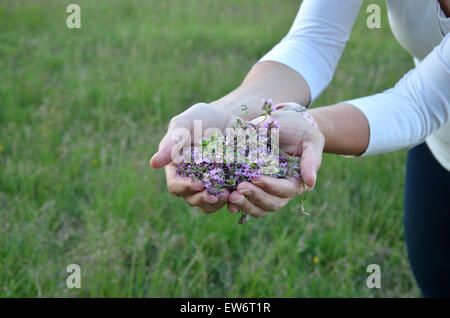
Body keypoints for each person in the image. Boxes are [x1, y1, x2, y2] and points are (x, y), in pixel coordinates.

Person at [150, 0, 450, 297]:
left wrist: (309, 125)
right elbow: (314, 38)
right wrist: (227, 112)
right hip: (439, 150)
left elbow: (420, 103)